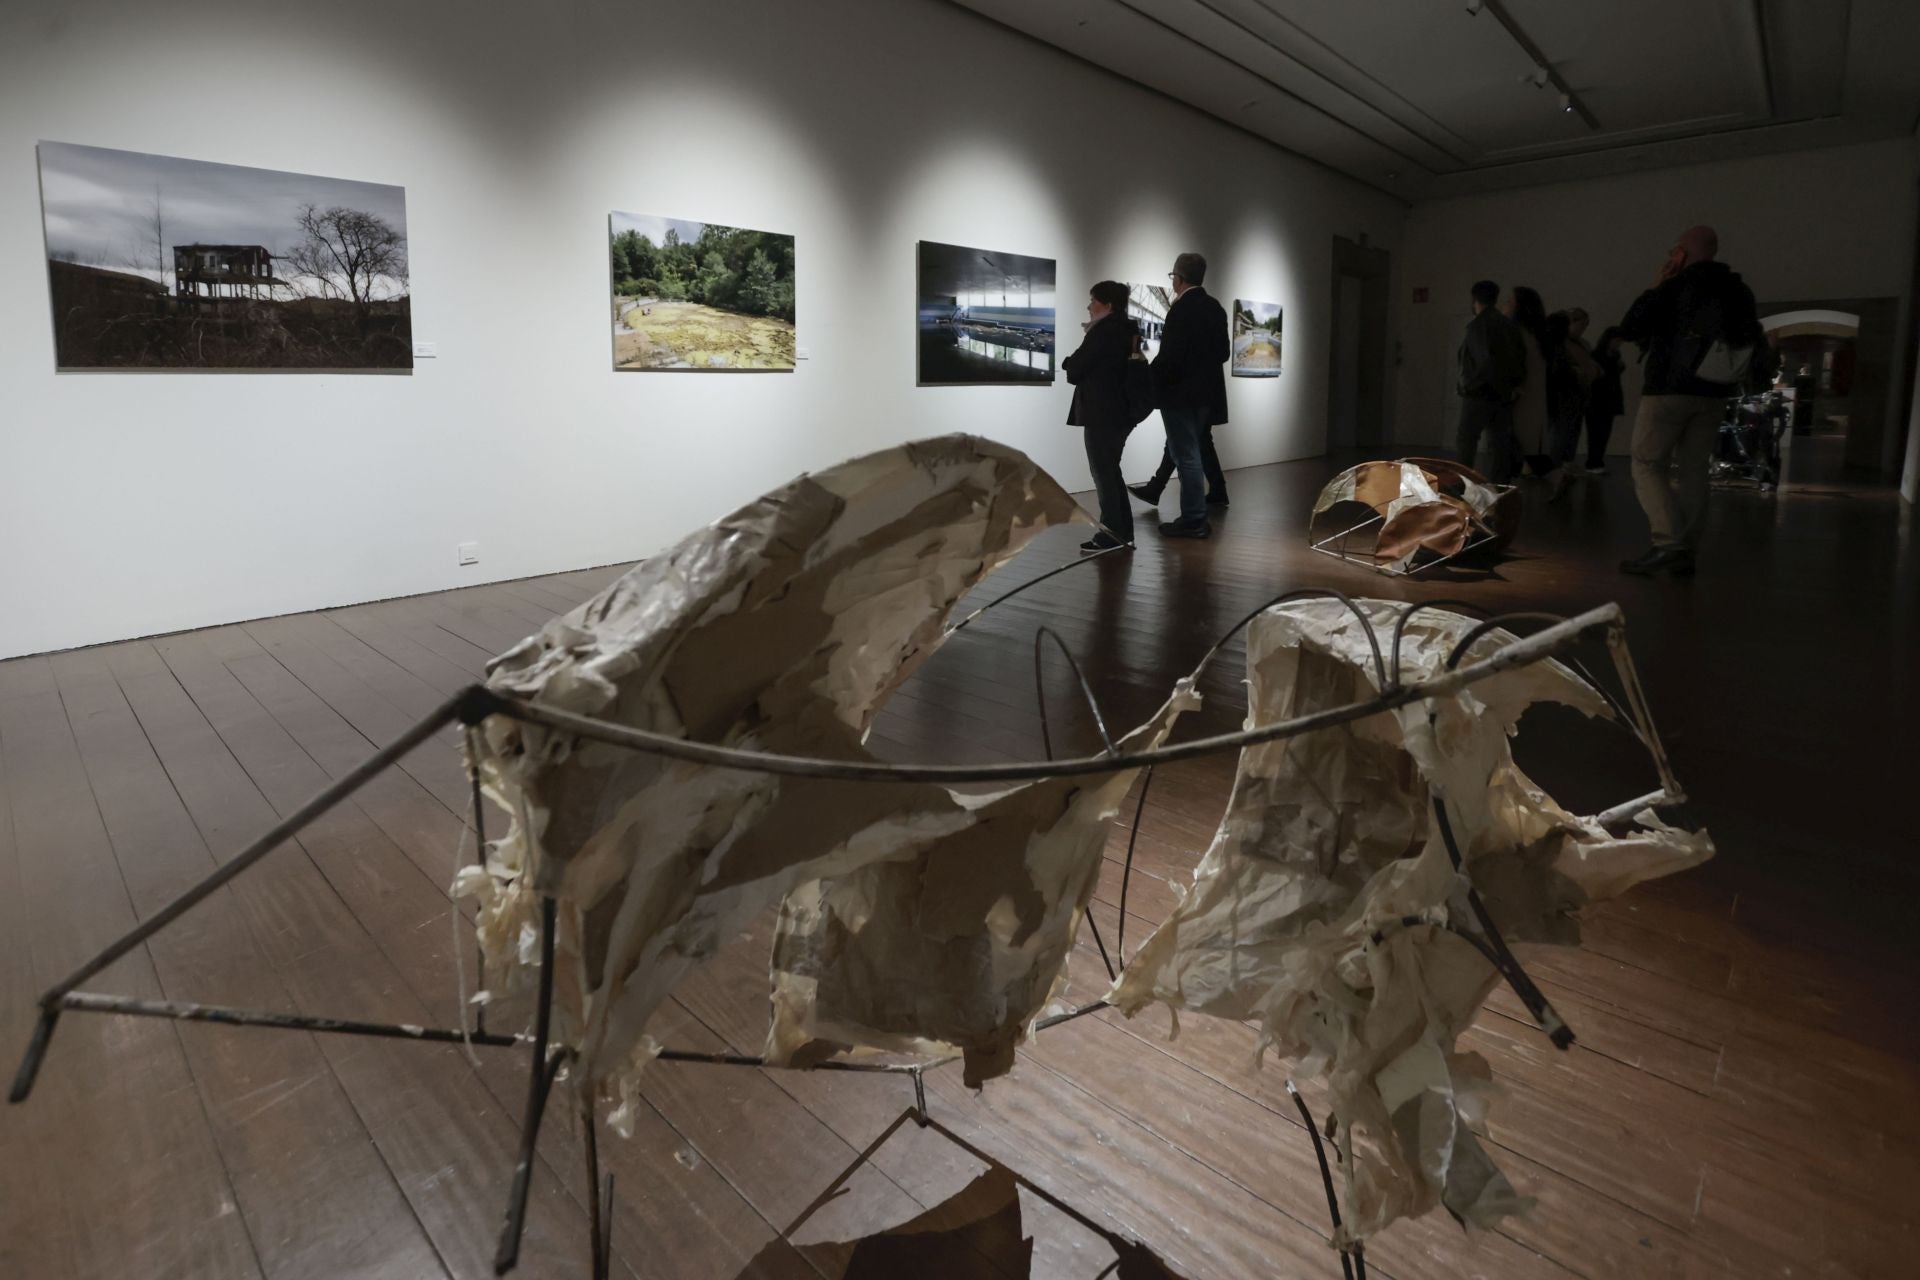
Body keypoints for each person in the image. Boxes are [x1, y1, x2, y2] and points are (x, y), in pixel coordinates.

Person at [1615, 225, 1766, 576]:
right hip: (1714, 389)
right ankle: (1687, 549)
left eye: (1674, 251)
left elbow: (1631, 326)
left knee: (1647, 463)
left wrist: (1657, 282)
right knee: (1695, 469)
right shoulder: (1739, 290)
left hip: (1669, 388)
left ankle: (1669, 544)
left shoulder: (1676, 285)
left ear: (1682, 252)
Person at [1132, 252, 1229, 538]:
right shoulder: (1215, 307)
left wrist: (1148, 379)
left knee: (1186, 455)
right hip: (1205, 395)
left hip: (1179, 394)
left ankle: (1194, 519)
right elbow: (1223, 352)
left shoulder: (1180, 309)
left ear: (1179, 278)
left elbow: (1170, 357)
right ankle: (1193, 515)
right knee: (1189, 452)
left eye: (1172, 276)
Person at [1062, 279, 1143, 552]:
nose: (1088, 306)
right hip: (1121, 412)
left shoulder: (1102, 332)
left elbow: (1075, 369)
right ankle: (1122, 532)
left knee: (1103, 473)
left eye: (1093, 300)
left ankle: (1110, 534)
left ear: (1107, 305)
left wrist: (1069, 363)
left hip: (1102, 412)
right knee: (1111, 470)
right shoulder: (1126, 330)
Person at [1454, 280, 1526, 482]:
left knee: (1467, 440)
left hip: (1480, 394)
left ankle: (1461, 485)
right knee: (1499, 443)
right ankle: (1500, 487)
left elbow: (1484, 361)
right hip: (1503, 394)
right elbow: (1519, 357)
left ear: (1474, 299)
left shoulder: (1478, 326)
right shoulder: (1508, 325)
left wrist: (1468, 386)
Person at [1505, 286, 1574, 496]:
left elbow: (1514, 366)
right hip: (1532, 401)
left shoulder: (1518, 334)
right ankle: (1556, 477)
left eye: (1509, 301)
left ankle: (1503, 495)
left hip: (1520, 399)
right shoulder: (1537, 336)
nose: (1504, 305)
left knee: (1512, 446)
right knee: (1527, 448)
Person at [1583, 325, 1628, 473]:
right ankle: (1593, 462)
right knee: (1596, 432)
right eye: (1617, 340)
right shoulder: (1597, 355)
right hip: (1597, 398)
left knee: (1603, 432)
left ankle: (1596, 461)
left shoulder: (1614, 356)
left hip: (1609, 398)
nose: (1619, 343)